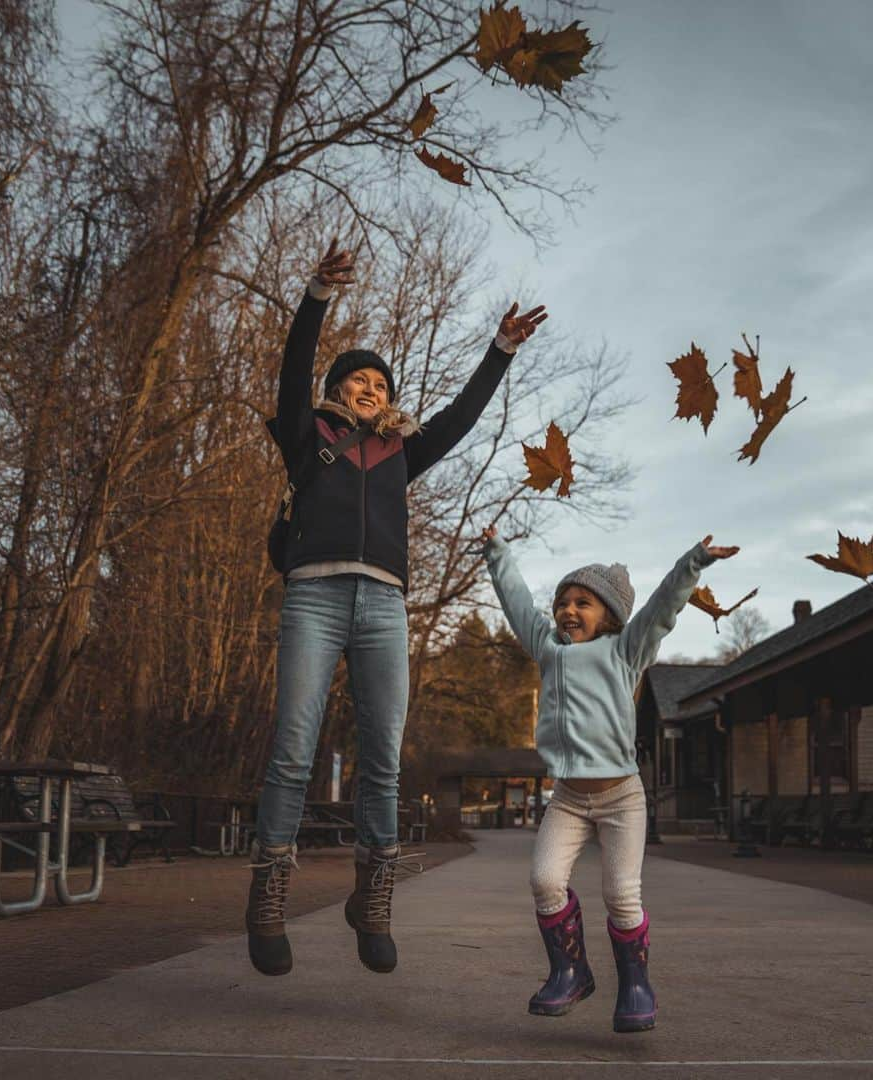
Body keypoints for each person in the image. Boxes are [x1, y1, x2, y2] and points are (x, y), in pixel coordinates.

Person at [247, 238, 547, 978]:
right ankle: (268, 893)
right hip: (314, 597)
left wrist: (500, 351)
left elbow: (462, 416)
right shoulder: (305, 434)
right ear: (340, 391)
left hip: (384, 607)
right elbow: (293, 368)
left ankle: (373, 895)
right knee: (292, 752)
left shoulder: (402, 453)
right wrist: (316, 295)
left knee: (383, 762)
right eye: (359, 380)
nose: (372, 387)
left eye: (381, 382)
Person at [481, 525, 739, 1032]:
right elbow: (516, 604)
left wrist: (694, 563)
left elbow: (663, 609)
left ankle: (636, 986)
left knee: (622, 893)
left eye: (584, 603)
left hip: (621, 797)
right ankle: (570, 971)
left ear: (610, 617)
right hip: (569, 799)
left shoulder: (626, 652)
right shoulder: (549, 650)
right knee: (545, 880)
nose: (568, 611)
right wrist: (497, 554)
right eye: (563, 602)